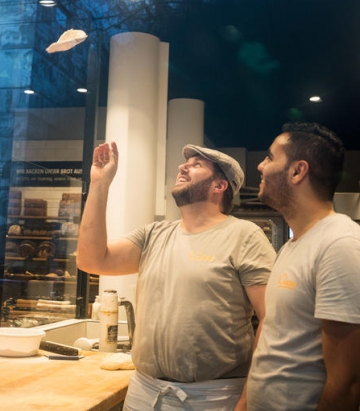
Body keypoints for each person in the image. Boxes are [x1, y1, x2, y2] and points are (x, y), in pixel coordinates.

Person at [77, 142, 277, 411]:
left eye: (197, 165)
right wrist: (100, 184)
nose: (183, 166)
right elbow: (91, 260)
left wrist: (250, 395)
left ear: (220, 186)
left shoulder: (244, 235)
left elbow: (272, 316)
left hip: (214, 396)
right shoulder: (154, 234)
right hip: (144, 391)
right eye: (186, 163)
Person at [245, 123, 360, 411]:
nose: (260, 166)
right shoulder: (292, 246)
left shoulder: (341, 247)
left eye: (270, 157)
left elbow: (346, 384)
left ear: (298, 171)